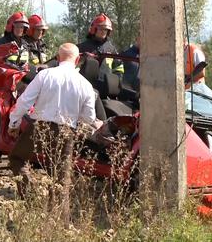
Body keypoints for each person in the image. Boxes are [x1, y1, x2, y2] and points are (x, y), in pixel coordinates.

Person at [7, 43, 98, 225]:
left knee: (17, 159)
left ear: (58, 58)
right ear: (77, 60)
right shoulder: (85, 85)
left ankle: (31, 198)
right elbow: (89, 118)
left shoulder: (45, 75)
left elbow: (24, 102)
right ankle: (57, 221)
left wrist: (14, 123)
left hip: (40, 127)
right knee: (61, 177)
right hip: (67, 132)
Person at [77, 13, 124, 79]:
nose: (103, 32)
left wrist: (117, 79)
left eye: (106, 30)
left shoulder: (111, 49)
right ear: (94, 30)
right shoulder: (82, 47)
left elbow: (118, 68)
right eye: (101, 29)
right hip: (85, 84)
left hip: (103, 86)